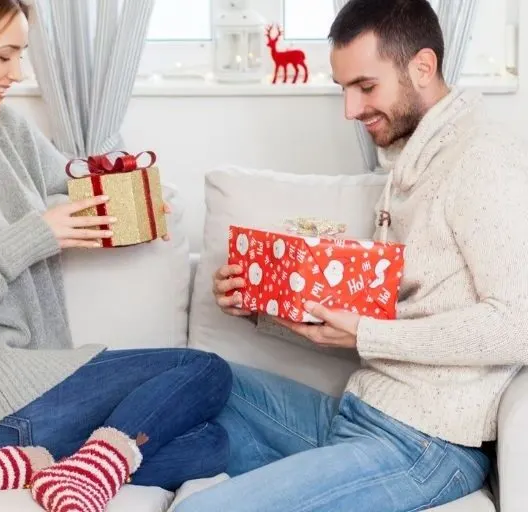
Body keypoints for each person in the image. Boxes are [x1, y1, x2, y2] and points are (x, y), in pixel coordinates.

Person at [0, 0, 232, 510]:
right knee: (205, 371)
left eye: (21, 56)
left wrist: (140, 208)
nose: (17, 73)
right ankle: (43, 462)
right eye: (5, 56)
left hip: (24, 385)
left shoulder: (2, 129)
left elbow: (74, 184)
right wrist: (33, 237)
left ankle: (18, 466)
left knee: (211, 446)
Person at [175, 0, 528, 510]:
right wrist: (262, 309)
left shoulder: (484, 161)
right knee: (188, 376)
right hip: (360, 413)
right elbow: (383, 318)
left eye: (365, 86)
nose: (350, 110)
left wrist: (366, 332)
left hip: (424, 444)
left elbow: (520, 324)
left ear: (422, 67)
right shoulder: (411, 167)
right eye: (345, 89)